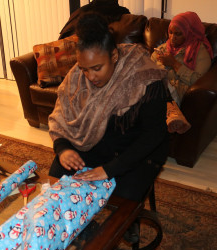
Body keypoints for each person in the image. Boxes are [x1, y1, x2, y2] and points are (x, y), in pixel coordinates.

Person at [48, 12, 170, 202]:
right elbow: (60, 115)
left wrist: (109, 169)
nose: (90, 76)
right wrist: (63, 148)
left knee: (122, 198)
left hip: (136, 152)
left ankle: (128, 228)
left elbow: (154, 134)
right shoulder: (76, 76)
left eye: (97, 68)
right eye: (84, 69)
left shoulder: (143, 77)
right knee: (57, 175)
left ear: (113, 55)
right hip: (96, 142)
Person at [151, 11, 213, 134]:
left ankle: (172, 110)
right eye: (170, 32)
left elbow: (198, 80)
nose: (172, 37)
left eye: (178, 34)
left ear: (189, 33)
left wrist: (174, 64)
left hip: (178, 91)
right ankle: (172, 113)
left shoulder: (200, 52)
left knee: (157, 85)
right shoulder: (162, 49)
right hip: (156, 89)